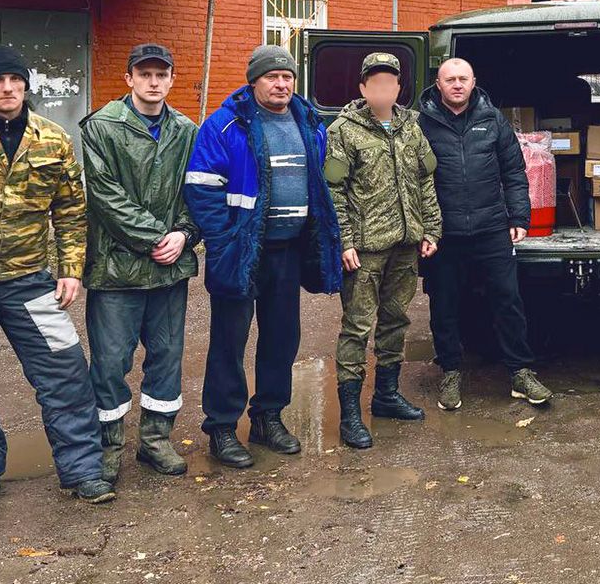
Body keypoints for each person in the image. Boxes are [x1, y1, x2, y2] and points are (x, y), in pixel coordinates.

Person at [0, 45, 114, 506]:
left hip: (29, 280)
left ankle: (82, 470)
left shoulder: (53, 139)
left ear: (26, 85)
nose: (8, 88)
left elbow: (71, 210)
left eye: (15, 80)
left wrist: (70, 271)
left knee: (66, 374)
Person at [184, 45, 342, 468]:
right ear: (254, 81)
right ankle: (221, 427)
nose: (281, 84)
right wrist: (223, 238)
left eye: (287, 77)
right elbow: (201, 186)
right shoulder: (225, 124)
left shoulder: (309, 123)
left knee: (281, 337)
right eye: (272, 77)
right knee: (228, 343)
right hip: (240, 251)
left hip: (288, 251)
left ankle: (267, 417)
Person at [80, 43, 199, 482]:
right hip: (116, 269)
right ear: (128, 79)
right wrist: (155, 237)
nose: (153, 82)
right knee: (111, 361)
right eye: (144, 74)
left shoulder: (186, 129)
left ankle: (155, 440)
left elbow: (198, 190)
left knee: (166, 356)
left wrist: (184, 234)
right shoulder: (103, 127)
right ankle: (108, 445)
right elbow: (105, 196)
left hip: (169, 268)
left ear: (171, 80)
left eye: (161, 74)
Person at [417, 58, 552, 411]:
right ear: (439, 84)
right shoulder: (422, 123)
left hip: (492, 226)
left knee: (507, 300)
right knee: (444, 305)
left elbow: (513, 171)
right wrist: (420, 228)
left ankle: (521, 373)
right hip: (443, 231)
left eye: (463, 78)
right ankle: (449, 372)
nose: (457, 85)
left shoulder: (493, 119)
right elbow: (412, 179)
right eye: (451, 80)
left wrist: (519, 215)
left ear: (474, 81)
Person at [325, 52, 442, 449]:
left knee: (396, 322)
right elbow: (334, 191)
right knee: (356, 328)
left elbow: (426, 181)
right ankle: (351, 415)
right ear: (362, 88)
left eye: (389, 82)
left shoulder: (412, 127)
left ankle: (387, 396)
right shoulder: (345, 130)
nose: (382, 89)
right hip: (366, 250)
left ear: (397, 88)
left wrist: (432, 229)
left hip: (406, 245)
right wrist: (344, 241)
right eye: (373, 82)